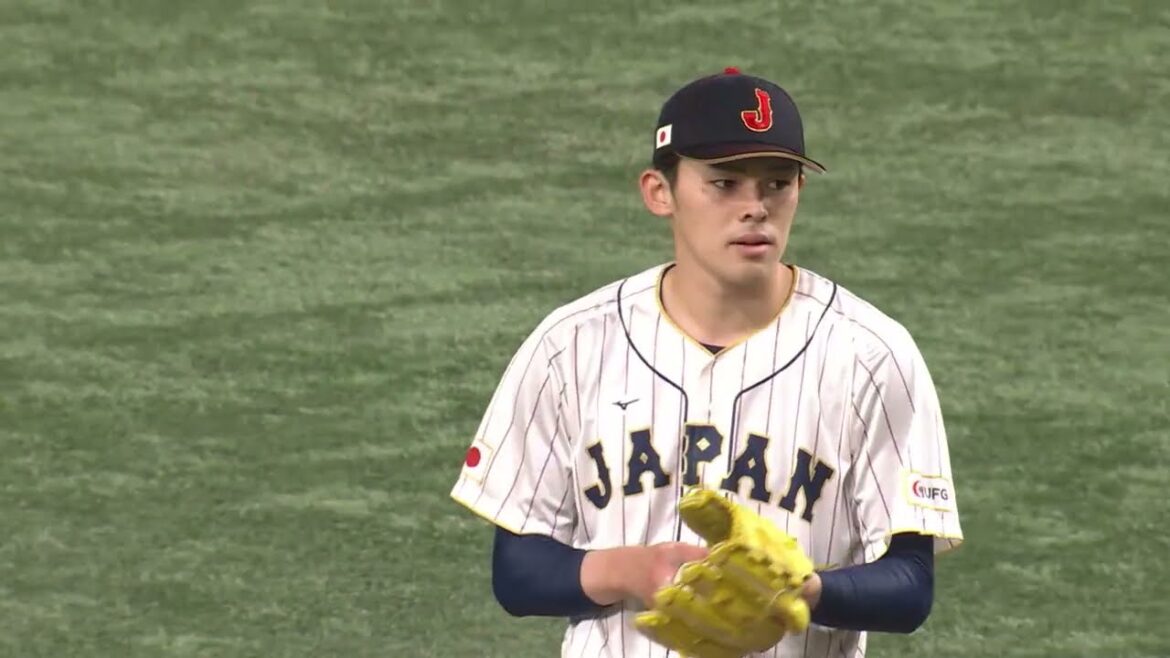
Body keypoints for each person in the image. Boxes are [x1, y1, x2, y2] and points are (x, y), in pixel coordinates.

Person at [449, 66, 964, 657]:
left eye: (777, 183)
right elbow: (517, 572)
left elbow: (910, 586)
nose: (756, 208)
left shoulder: (873, 355)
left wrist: (801, 590)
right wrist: (637, 571)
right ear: (659, 192)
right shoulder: (570, 345)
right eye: (725, 184)